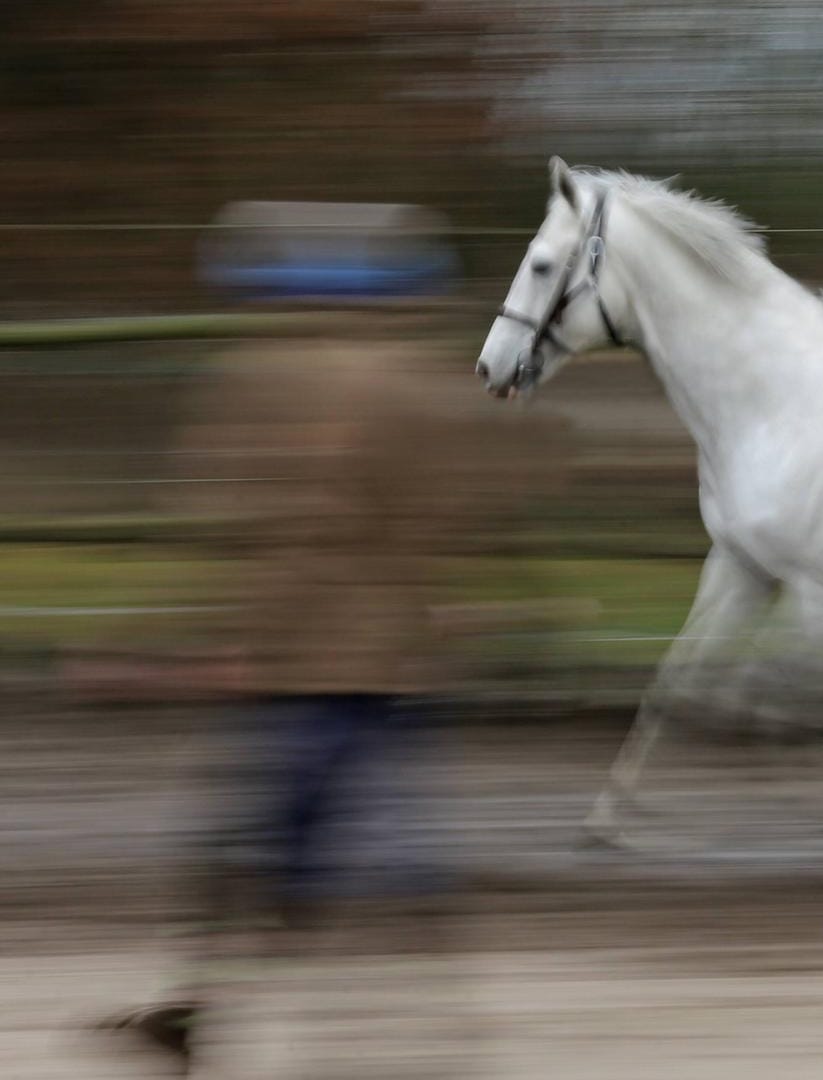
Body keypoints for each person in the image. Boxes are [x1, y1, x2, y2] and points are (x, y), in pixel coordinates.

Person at [98, 281, 563, 1073]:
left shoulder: (295, 382)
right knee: (315, 853)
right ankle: (239, 1014)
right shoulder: (400, 384)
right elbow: (451, 512)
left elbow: (267, 523)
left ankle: (265, 1017)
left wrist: (218, 635)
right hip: (355, 662)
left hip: (332, 663)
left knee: (288, 852)